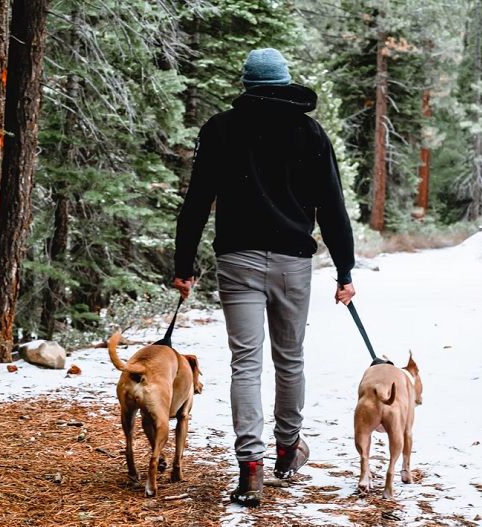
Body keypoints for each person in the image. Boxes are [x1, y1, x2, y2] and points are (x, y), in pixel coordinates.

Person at [173, 48, 356, 507]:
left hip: (237, 260)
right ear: (285, 81)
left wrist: (184, 266)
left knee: (246, 364)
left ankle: (250, 468)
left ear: (247, 83)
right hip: (295, 262)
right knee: (290, 359)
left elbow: (196, 202)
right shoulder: (310, 131)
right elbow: (332, 207)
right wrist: (344, 271)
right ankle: (288, 449)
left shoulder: (220, 129)